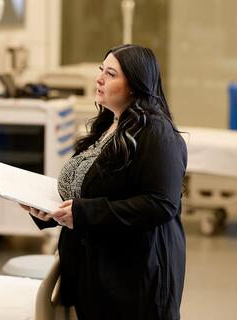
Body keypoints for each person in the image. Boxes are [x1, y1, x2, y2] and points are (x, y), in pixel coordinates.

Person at [21, 44, 187, 320]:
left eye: (111, 74)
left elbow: (161, 204)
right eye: (101, 70)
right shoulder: (108, 125)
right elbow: (92, 189)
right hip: (95, 274)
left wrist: (82, 213)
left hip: (134, 280)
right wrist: (50, 213)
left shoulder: (156, 133)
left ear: (134, 85)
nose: (99, 79)